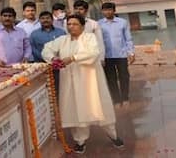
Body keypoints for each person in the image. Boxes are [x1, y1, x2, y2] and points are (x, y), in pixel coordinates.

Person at [42, 14, 124, 154]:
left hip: (90, 81)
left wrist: (73, 58)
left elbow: (93, 53)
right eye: (69, 24)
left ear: (82, 26)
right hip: (70, 81)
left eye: (75, 24)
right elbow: (46, 49)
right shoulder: (62, 40)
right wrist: (53, 58)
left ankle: (113, 135)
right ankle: (80, 141)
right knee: (76, 110)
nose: (71, 27)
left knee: (100, 107)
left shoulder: (90, 38)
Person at [99, 2, 135, 107]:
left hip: (121, 55)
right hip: (107, 56)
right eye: (105, 10)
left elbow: (128, 38)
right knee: (111, 79)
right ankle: (116, 100)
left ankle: (125, 98)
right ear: (102, 11)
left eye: (110, 9)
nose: (107, 12)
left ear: (114, 11)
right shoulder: (99, 24)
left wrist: (131, 53)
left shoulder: (123, 22)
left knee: (124, 77)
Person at [30, 11, 66, 93]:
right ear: (39, 20)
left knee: (60, 88)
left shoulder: (61, 32)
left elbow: (65, 47)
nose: (45, 20)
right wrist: (48, 59)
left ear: (52, 19)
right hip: (42, 66)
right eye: (43, 18)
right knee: (44, 90)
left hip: (59, 66)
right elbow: (33, 49)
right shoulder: (34, 34)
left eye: (47, 18)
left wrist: (57, 60)